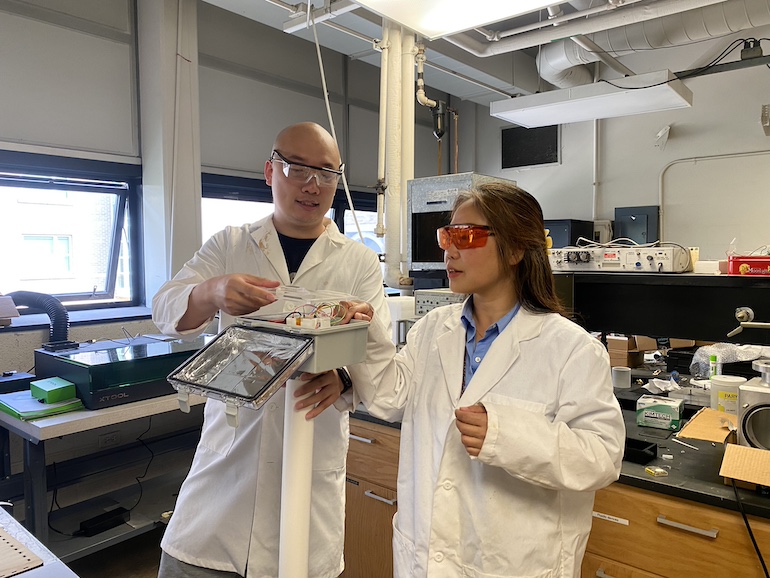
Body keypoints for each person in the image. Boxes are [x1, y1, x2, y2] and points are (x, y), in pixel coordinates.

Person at [337, 182, 625, 578]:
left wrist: (506, 434)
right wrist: (367, 334)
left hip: (514, 564)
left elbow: (601, 457)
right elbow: (389, 397)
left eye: (465, 236)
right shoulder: (433, 330)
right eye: (446, 235)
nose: (448, 250)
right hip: (426, 556)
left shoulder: (571, 349)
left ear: (515, 249)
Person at [152, 121, 391, 578]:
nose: (312, 183)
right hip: (227, 468)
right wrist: (212, 291)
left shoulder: (358, 260)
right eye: (297, 168)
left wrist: (342, 377)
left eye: (326, 172)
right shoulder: (231, 244)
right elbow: (164, 309)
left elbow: (372, 348)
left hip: (309, 460)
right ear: (269, 171)